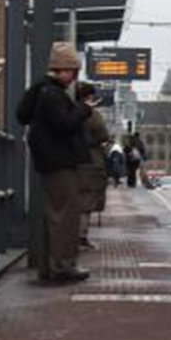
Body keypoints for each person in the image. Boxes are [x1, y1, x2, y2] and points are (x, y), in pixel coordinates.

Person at [16, 41, 92, 283]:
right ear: (65, 69)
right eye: (73, 71)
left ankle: (50, 268)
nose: (74, 77)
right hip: (59, 162)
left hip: (48, 161)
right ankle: (63, 267)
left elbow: (22, 115)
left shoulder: (41, 90)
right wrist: (83, 109)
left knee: (54, 214)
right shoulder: (53, 94)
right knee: (66, 215)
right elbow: (64, 125)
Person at [76, 83, 110, 245]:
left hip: (71, 160)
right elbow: (103, 135)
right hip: (90, 161)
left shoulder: (69, 110)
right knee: (86, 200)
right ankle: (81, 236)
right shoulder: (93, 114)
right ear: (89, 96)